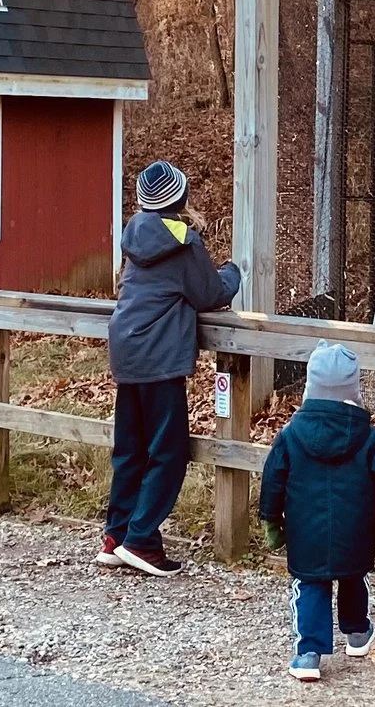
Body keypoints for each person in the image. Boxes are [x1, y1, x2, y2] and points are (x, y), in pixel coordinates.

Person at [100, 159, 239, 576]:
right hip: (159, 359)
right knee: (168, 451)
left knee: (130, 448)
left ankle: (116, 535)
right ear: (180, 198)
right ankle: (141, 540)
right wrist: (233, 272)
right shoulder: (183, 241)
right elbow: (209, 293)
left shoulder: (133, 234)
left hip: (126, 350)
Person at [259, 342, 375, 682]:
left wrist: (271, 519)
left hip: (305, 528)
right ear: (354, 389)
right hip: (355, 527)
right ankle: (357, 634)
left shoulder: (291, 435)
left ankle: (309, 655)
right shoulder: (369, 438)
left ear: (310, 386)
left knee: (311, 584)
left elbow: (273, 479)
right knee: (353, 575)